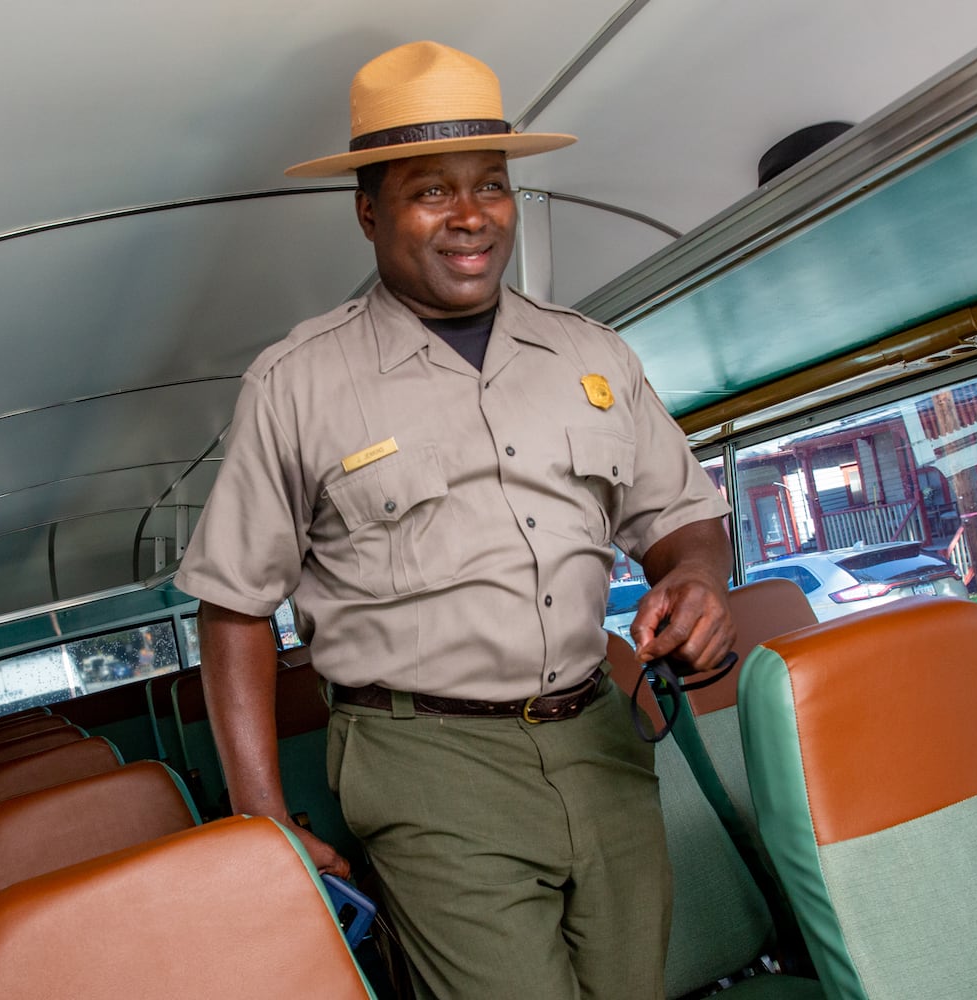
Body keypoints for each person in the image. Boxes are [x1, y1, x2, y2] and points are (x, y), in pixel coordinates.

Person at [175, 40, 735, 1000]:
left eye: (492, 185)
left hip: (602, 738)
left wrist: (697, 581)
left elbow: (683, 520)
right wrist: (260, 813)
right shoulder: (296, 384)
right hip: (424, 763)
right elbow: (233, 609)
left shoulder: (590, 353)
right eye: (432, 190)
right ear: (368, 211)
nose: (472, 216)